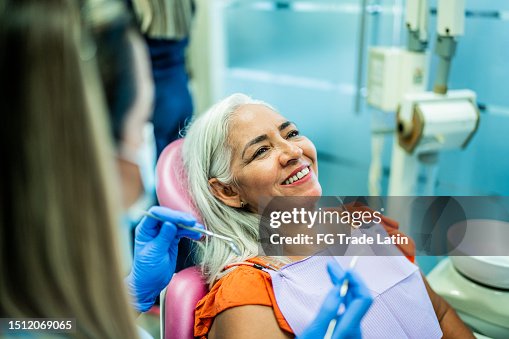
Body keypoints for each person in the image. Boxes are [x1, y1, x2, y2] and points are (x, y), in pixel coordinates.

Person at [182, 93, 475, 338]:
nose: (292, 151)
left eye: (291, 133)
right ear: (227, 191)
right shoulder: (247, 294)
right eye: (261, 151)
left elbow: (438, 311)